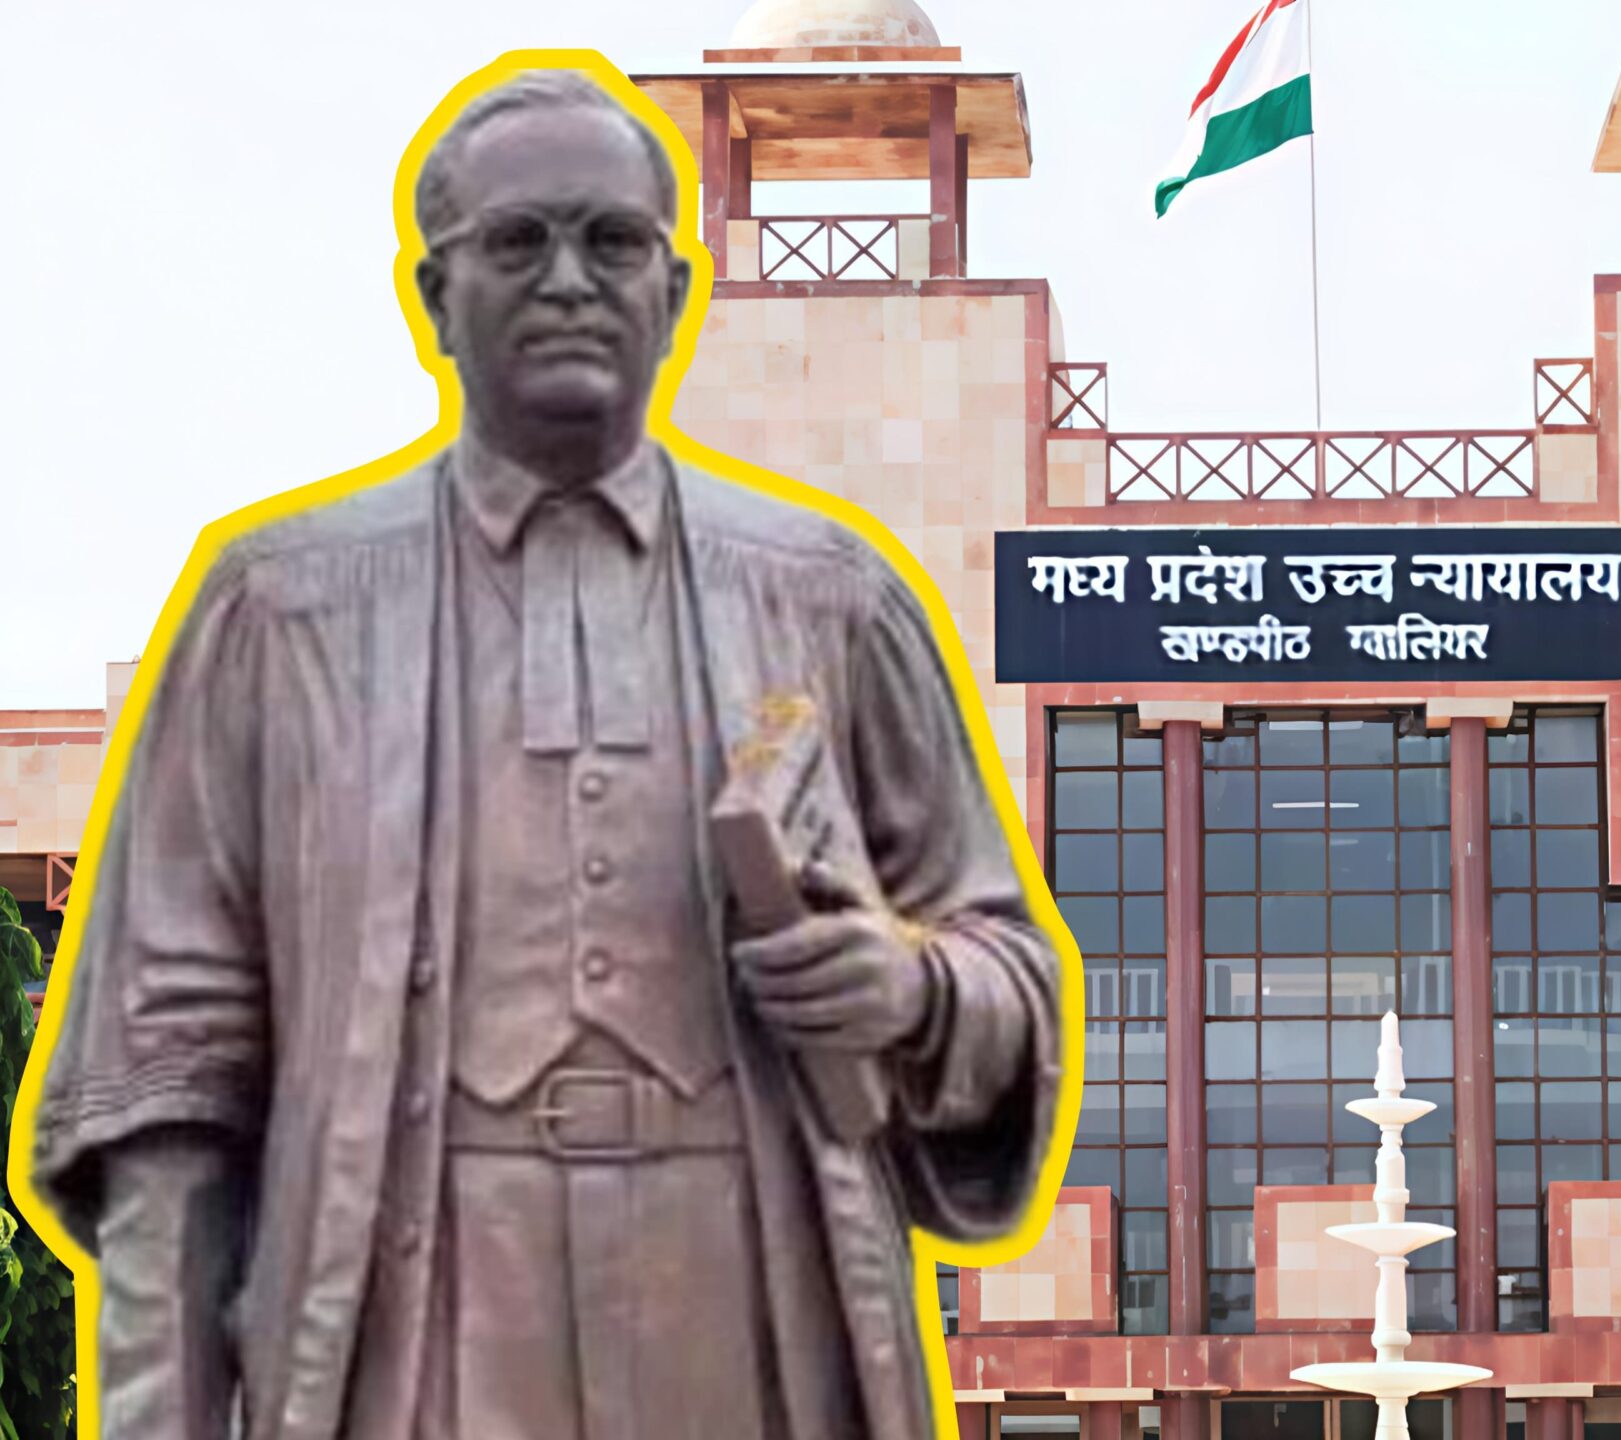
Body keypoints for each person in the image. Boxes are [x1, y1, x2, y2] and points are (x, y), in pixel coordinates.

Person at [25, 67, 1061, 1440]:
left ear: (673, 293)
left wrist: (914, 988)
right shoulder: (278, 612)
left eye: (611, 241)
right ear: (435, 295)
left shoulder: (829, 601)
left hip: (745, 1292)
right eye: (518, 242)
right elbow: (169, 1076)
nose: (569, 280)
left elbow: (1007, 966)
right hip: (417, 1303)